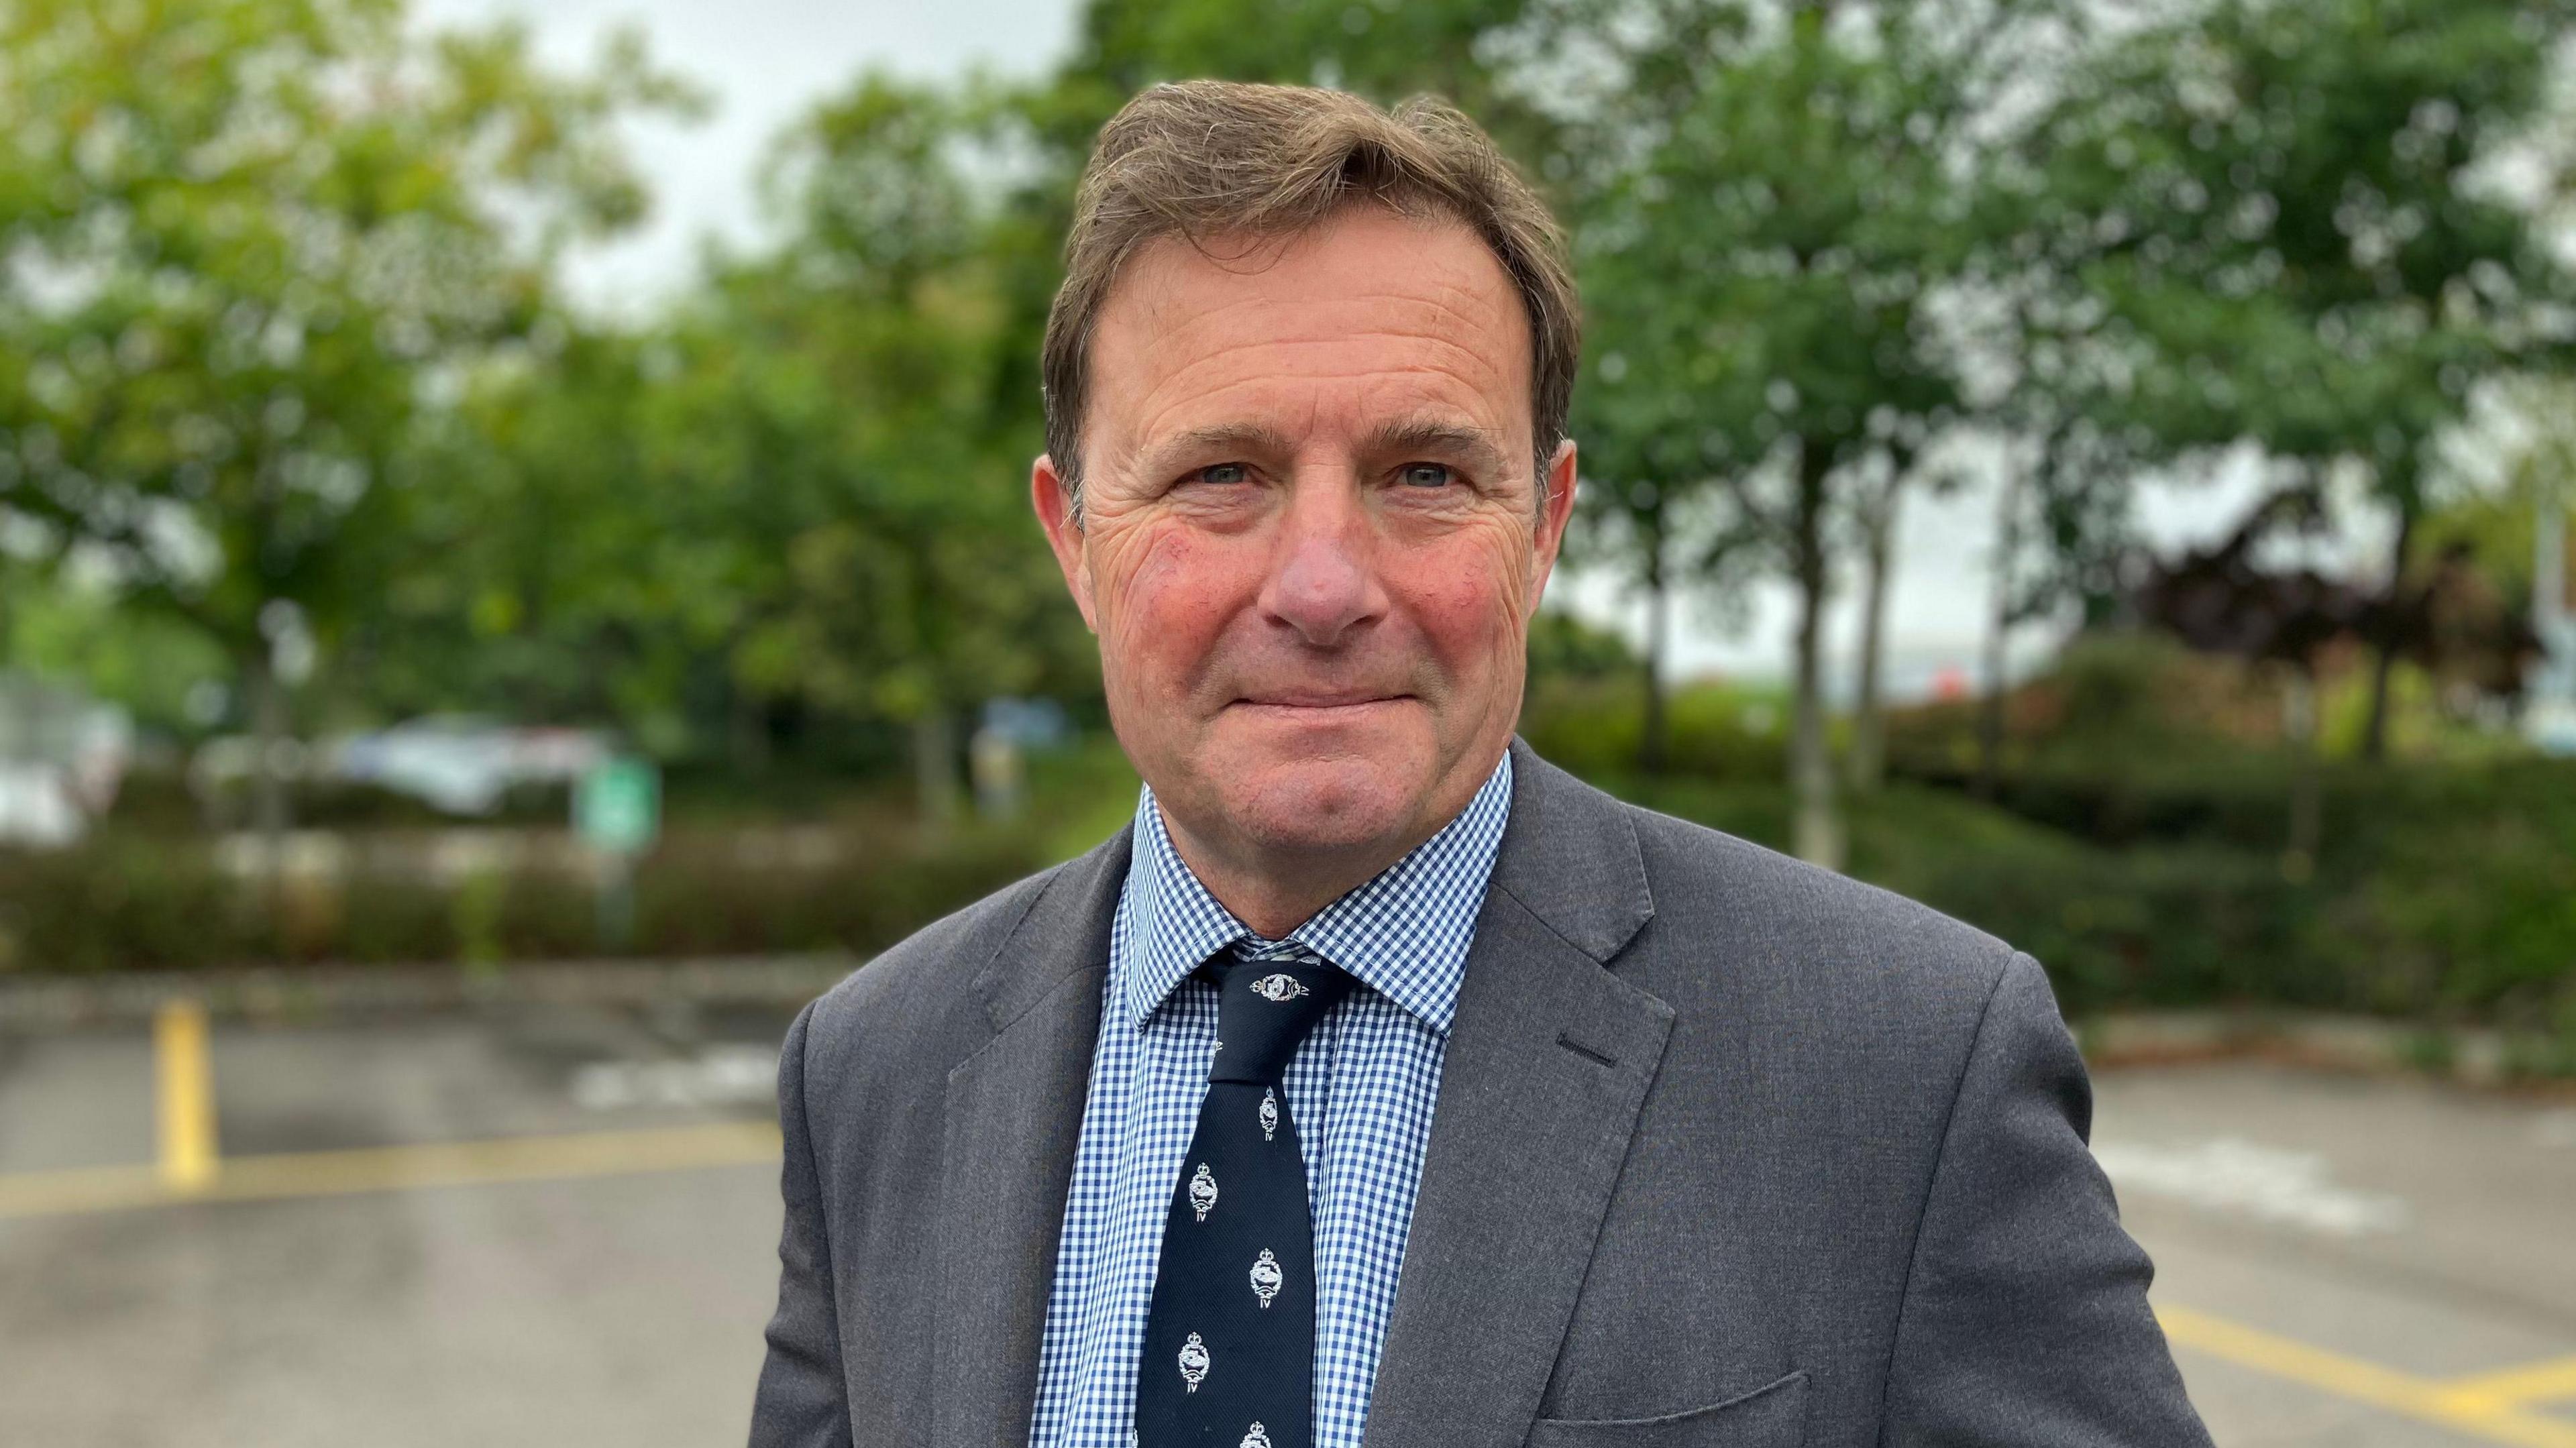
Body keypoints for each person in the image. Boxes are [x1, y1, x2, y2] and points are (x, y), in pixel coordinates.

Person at [749, 80, 2212, 1448]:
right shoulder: (871, 1069)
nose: (1323, 588)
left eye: (1425, 476)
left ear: (1546, 525)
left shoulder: (1907, 1065)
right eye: (1221, 476)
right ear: (1075, 540)